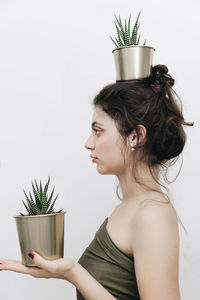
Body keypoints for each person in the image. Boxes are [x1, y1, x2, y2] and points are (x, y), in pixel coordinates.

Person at [0, 65, 194, 300]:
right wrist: (58, 272)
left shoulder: (152, 214)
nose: (88, 143)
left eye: (98, 131)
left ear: (135, 136)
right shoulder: (126, 209)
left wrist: (74, 273)